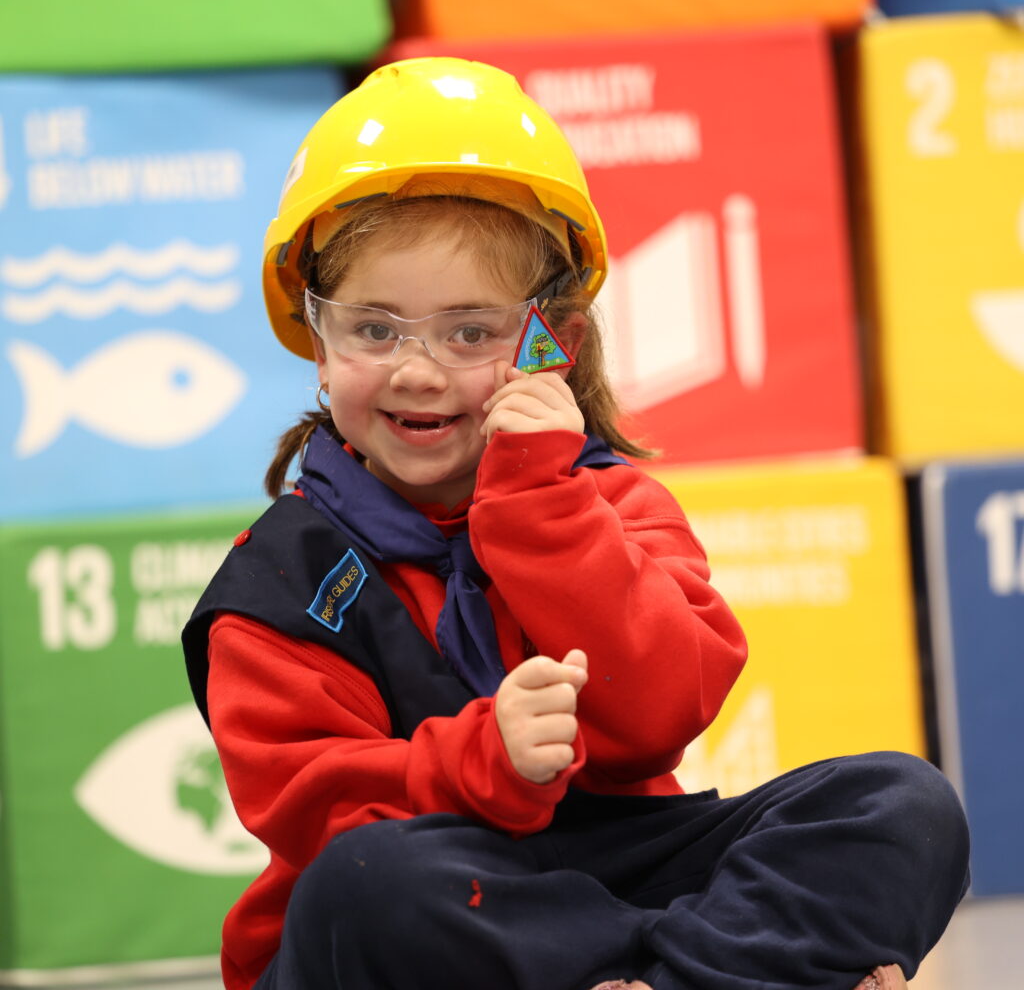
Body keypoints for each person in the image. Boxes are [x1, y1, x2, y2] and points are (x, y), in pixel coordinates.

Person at [183, 57, 969, 990]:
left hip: (622, 878)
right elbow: (315, 812)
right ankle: (734, 973)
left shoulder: (609, 503)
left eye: (471, 331)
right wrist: (487, 759)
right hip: (437, 906)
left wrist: (543, 508)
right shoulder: (278, 579)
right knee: (362, 885)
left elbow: (660, 717)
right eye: (375, 328)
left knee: (899, 804)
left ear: (553, 342)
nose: (418, 369)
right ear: (319, 339)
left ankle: (673, 977)